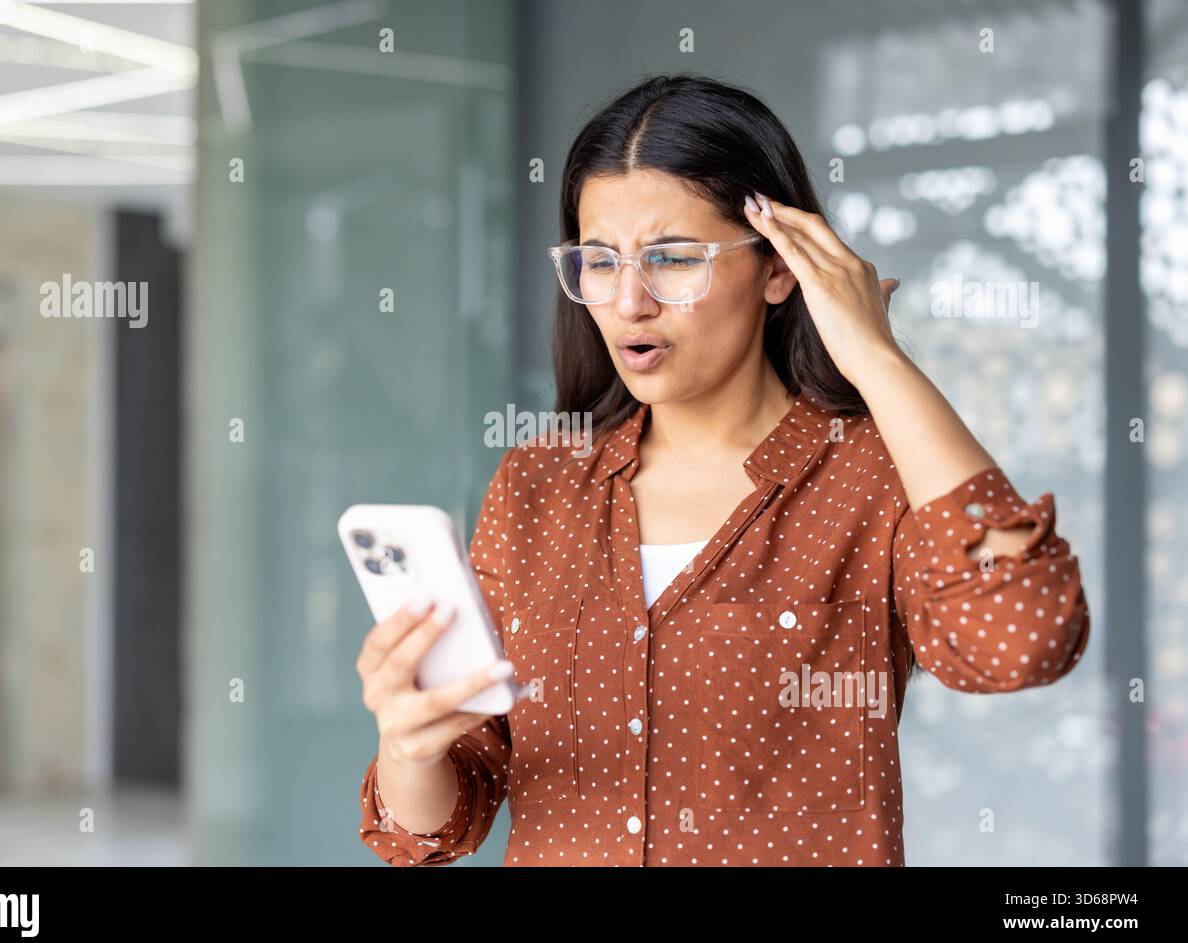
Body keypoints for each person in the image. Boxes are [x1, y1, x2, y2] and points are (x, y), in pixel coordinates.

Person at [354, 73, 1090, 866]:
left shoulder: (873, 472)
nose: (629, 300)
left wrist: (876, 355)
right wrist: (409, 746)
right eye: (599, 261)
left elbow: (1024, 640)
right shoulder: (538, 486)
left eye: (673, 258)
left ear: (778, 270)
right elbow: (434, 826)